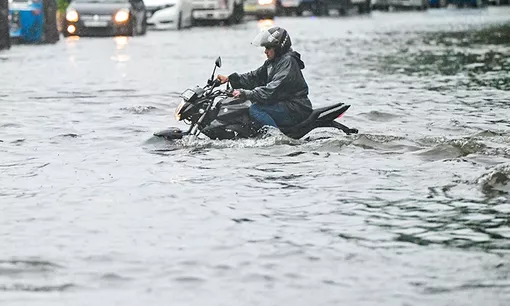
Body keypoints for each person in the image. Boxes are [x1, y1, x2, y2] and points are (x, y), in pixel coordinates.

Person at [216, 26, 312, 129]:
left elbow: (271, 89)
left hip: (296, 108)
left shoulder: (288, 62)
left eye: (268, 48)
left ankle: (275, 138)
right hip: (283, 103)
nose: (265, 51)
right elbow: (254, 77)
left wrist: (245, 93)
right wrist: (229, 79)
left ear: (279, 47)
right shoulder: (273, 62)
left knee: (255, 109)